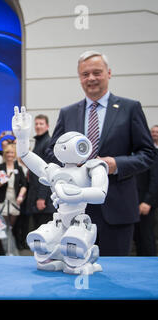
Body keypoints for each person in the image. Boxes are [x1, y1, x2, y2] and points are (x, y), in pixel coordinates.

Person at [45, 50, 156, 256]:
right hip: (75, 210)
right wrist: (73, 164)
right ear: (79, 78)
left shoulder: (129, 108)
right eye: (85, 74)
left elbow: (148, 153)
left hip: (116, 208)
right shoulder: (68, 113)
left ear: (109, 73)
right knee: (74, 270)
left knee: (112, 275)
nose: (91, 78)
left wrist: (116, 164)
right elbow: (51, 151)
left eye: (97, 72)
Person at [0, 144, 27, 254]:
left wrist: (20, 196)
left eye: (12, 153)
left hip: (15, 199)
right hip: (2, 199)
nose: (10, 155)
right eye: (7, 152)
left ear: (15, 154)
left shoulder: (18, 168)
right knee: (3, 226)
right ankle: (2, 250)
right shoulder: (0, 167)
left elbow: (24, 184)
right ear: (4, 154)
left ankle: (9, 249)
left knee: (11, 227)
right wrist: (5, 179)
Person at [25, 115, 55, 232]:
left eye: (41, 124)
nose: (38, 126)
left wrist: (41, 198)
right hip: (37, 195)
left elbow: (47, 172)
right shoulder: (39, 142)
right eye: (36, 124)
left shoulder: (47, 143)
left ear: (47, 126)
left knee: (44, 233)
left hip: (44, 200)